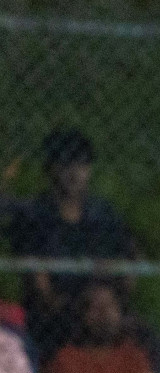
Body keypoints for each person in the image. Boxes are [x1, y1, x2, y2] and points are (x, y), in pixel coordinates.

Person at [4, 129, 136, 358]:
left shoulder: (103, 215)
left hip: (105, 308)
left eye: (82, 164)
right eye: (66, 163)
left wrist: (113, 302)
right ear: (51, 168)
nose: (75, 172)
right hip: (56, 315)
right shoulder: (35, 216)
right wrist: (75, 308)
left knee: (156, 347)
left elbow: (129, 260)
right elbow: (39, 284)